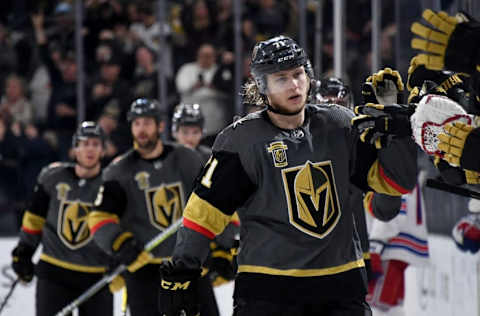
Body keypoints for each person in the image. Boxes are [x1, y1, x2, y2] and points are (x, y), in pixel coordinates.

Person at [159, 35, 417, 316]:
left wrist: (397, 134)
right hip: (268, 293)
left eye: (298, 74)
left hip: (341, 289)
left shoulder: (341, 124)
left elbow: (397, 182)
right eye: (281, 78)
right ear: (262, 86)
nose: (294, 85)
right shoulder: (240, 141)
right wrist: (183, 270)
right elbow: (203, 214)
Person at [87, 98, 219, 316]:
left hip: (189, 265)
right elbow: (99, 218)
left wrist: (221, 248)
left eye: (147, 123)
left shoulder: (187, 159)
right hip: (144, 271)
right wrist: (121, 244)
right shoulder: (119, 172)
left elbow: (216, 202)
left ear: (160, 126)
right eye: (136, 123)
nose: (141, 129)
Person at [10, 121, 113, 316]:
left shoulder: (111, 184)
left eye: (95, 144)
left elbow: (118, 226)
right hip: (54, 272)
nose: (90, 149)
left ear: (103, 150)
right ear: (75, 149)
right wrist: (24, 252)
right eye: (85, 143)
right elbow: (34, 219)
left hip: (97, 274)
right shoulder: (52, 177)